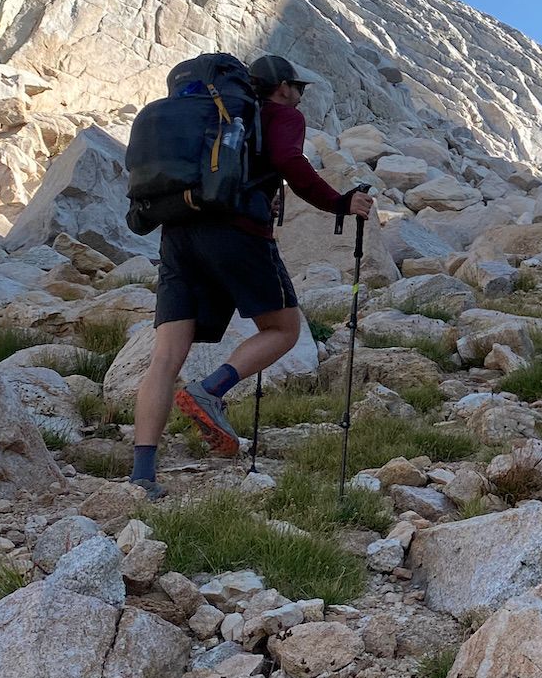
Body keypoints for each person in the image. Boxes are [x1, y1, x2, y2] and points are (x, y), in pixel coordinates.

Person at [129, 54, 374, 495]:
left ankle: (142, 475)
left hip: (177, 232)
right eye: (297, 87)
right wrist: (341, 202)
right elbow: (290, 162)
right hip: (237, 231)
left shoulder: (211, 118)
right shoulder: (279, 115)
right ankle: (211, 390)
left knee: (165, 356)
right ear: (281, 86)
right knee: (283, 329)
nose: (300, 96)